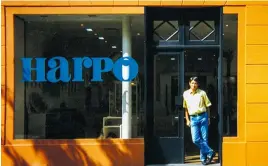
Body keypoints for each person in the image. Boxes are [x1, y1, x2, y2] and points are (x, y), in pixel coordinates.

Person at [183, 77, 215, 165]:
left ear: (198, 84)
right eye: (192, 83)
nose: (194, 85)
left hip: (203, 117)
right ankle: (210, 152)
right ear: (189, 83)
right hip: (193, 118)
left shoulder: (202, 93)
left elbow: (208, 106)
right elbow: (185, 108)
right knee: (195, 139)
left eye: (195, 83)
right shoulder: (185, 94)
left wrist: (208, 118)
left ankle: (203, 159)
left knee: (204, 139)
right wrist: (187, 120)